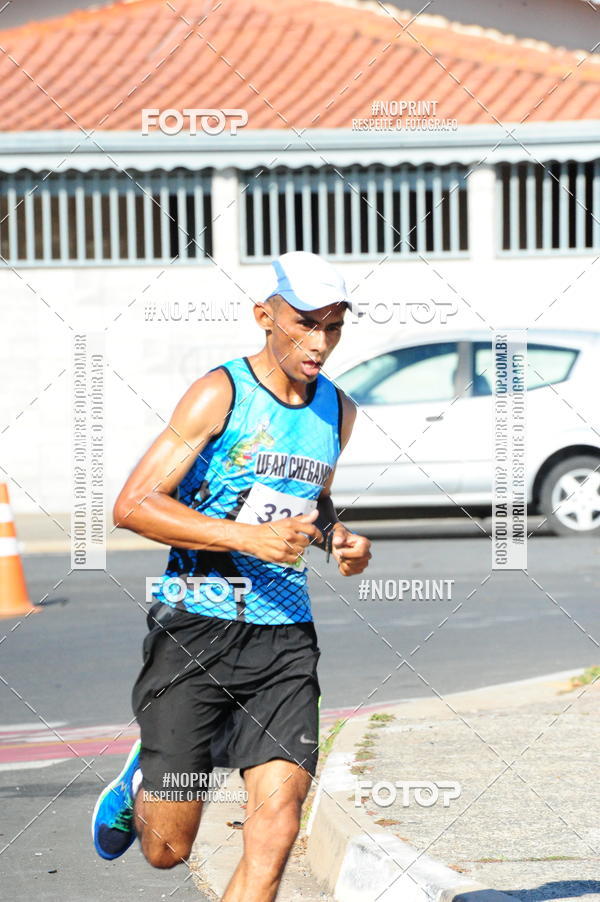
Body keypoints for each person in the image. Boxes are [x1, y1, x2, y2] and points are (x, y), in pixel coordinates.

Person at [91, 251, 372, 901]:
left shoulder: (339, 411)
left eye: (333, 327)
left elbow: (312, 502)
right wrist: (246, 537)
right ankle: (143, 780)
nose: (320, 342)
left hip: (284, 638)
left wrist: (340, 540)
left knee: (275, 829)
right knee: (168, 849)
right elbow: (133, 505)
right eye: (306, 324)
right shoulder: (222, 393)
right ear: (264, 317)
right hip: (196, 624)